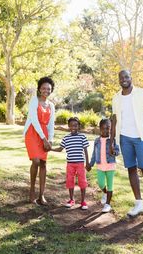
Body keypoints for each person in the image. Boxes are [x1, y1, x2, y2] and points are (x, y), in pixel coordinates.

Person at [110, 69, 143, 220]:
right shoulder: (116, 98)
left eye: (126, 76)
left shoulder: (142, 93)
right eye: (121, 77)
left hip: (141, 138)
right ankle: (139, 203)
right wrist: (112, 140)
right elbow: (114, 120)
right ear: (119, 80)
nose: (124, 79)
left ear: (131, 78)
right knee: (131, 169)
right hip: (125, 138)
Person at [24, 76, 55, 205]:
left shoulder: (51, 106)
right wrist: (43, 139)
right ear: (39, 89)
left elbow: (51, 124)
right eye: (43, 88)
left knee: (43, 163)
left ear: (51, 90)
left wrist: (50, 140)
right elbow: (35, 120)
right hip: (32, 132)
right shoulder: (34, 101)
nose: (46, 90)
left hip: (45, 135)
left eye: (48, 88)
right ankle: (32, 191)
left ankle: (41, 195)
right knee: (36, 161)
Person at [52, 117, 90, 210]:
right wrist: (50, 149)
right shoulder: (66, 138)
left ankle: (83, 201)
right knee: (70, 181)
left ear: (79, 126)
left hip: (80, 163)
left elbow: (86, 150)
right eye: (72, 125)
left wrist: (87, 163)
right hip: (70, 164)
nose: (74, 127)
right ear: (68, 126)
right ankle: (71, 200)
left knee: (82, 182)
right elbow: (60, 149)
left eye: (76, 125)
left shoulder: (82, 137)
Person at [87, 118, 120, 213]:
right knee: (101, 183)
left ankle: (108, 204)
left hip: (110, 166)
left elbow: (118, 152)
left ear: (111, 129)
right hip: (100, 166)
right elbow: (94, 154)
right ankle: (105, 193)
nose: (105, 130)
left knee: (110, 185)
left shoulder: (113, 140)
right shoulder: (97, 140)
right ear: (100, 129)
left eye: (108, 128)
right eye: (103, 128)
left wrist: (113, 151)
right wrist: (91, 164)